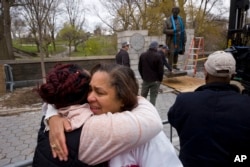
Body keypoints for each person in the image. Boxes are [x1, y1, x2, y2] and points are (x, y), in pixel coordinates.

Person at [32, 63, 163, 167]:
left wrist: (52, 115)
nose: (89, 98)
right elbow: (152, 119)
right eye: (89, 90)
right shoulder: (93, 128)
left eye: (99, 92)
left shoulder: (54, 114)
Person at [168, 51, 250, 167]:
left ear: (206, 72)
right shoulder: (246, 105)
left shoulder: (184, 101)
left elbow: (173, 119)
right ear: (232, 75)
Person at [138, 41, 164, 105]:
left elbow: (139, 68)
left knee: (143, 97)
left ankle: (142, 110)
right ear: (156, 47)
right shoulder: (158, 56)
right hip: (155, 81)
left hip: (146, 80)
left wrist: (143, 77)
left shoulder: (143, 55)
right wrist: (160, 80)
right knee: (153, 97)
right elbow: (161, 70)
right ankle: (151, 111)